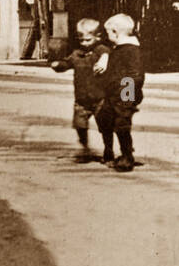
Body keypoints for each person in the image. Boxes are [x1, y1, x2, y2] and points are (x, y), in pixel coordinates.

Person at [49, 18, 110, 163]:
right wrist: (58, 65)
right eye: (81, 40)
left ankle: (109, 149)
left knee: (105, 125)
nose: (84, 43)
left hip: (100, 97)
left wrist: (104, 59)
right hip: (81, 99)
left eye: (88, 40)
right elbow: (67, 63)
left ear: (98, 37)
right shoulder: (77, 53)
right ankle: (85, 147)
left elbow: (109, 54)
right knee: (79, 124)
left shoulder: (101, 50)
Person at [95, 13, 146, 172]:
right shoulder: (118, 49)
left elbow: (135, 75)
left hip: (125, 94)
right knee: (104, 118)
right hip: (113, 94)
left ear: (116, 32)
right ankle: (109, 150)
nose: (107, 36)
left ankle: (126, 155)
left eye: (108, 32)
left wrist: (126, 97)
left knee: (121, 123)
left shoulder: (131, 50)